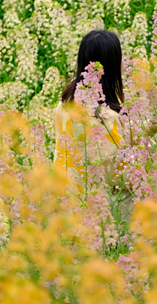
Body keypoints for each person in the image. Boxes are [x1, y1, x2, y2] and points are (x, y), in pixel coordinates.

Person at [53, 30, 126, 197]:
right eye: (121, 55)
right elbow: (117, 176)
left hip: (63, 196)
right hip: (93, 205)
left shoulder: (64, 106)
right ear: (111, 65)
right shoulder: (108, 117)